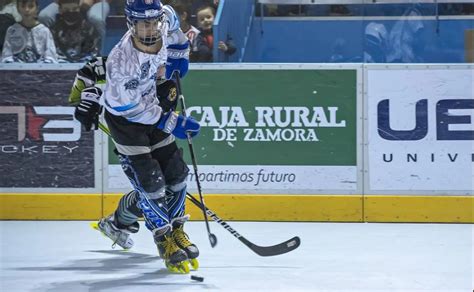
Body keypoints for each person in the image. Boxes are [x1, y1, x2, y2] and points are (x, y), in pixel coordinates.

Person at [71, 0, 201, 274]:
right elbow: (127, 108)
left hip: (152, 105)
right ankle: (163, 239)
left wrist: (180, 52)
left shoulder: (165, 18)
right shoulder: (121, 62)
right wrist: (171, 120)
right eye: (143, 23)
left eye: (153, 22)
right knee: (151, 183)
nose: (151, 28)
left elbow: (176, 29)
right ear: (131, 24)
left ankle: (177, 231)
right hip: (126, 121)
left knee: (177, 174)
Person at [38, 0, 110, 40]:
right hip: (65, 2)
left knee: (96, 18)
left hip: (98, 2)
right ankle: (48, 50)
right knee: (44, 16)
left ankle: (99, 53)